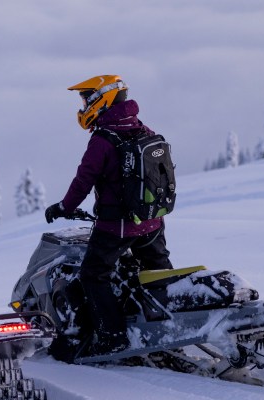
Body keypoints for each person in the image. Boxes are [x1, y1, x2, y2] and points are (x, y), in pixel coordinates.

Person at [44, 75, 173, 355]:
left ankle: (111, 336)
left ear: (103, 99)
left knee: (93, 276)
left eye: (86, 99)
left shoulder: (103, 138)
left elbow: (83, 180)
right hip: (151, 222)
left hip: (118, 227)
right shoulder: (141, 128)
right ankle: (166, 325)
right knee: (158, 273)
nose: (83, 105)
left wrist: (64, 207)